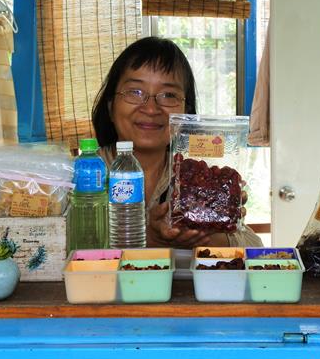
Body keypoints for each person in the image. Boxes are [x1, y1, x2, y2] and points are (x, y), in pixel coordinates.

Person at [92, 36, 262, 248]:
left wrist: (205, 232)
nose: (151, 108)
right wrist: (151, 239)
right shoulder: (84, 175)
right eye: (135, 92)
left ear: (186, 114)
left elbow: (255, 249)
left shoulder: (195, 181)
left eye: (168, 95)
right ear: (110, 106)